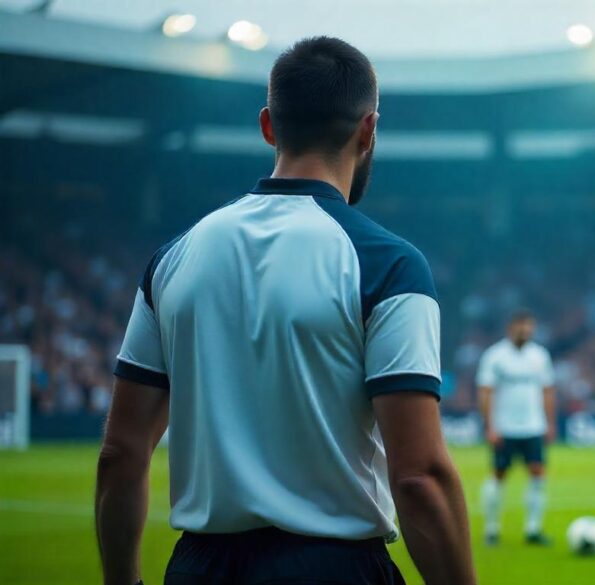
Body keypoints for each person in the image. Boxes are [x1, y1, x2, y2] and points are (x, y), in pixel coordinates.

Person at [94, 36, 475, 585]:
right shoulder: (388, 264)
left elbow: (121, 453)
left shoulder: (174, 258)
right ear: (368, 131)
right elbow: (418, 477)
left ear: (269, 126)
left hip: (198, 568)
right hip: (334, 568)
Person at [476, 310, 557, 546]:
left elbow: (548, 390)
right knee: (499, 474)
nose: (526, 331)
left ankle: (533, 529)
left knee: (538, 472)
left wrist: (549, 423)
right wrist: (490, 426)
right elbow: (485, 392)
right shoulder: (495, 356)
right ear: (510, 328)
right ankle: (492, 529)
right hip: (504, 427)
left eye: (529, 327)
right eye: (522, 327)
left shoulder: (540, 356)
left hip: (533, 425)